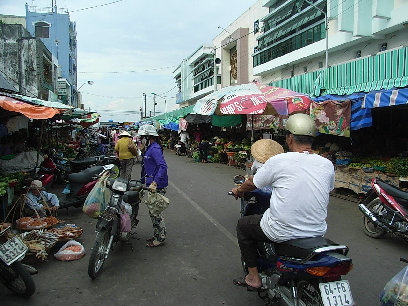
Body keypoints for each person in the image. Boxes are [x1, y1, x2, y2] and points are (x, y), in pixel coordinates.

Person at [232, 113, 335, 291]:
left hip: (281, 230)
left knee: (243, 226)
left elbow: (251, 183)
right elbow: (328, 189)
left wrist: (238, 190)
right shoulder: (326, 164)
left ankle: (254, 277)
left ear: (289, 138)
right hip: (316, 232)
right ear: (312, 140)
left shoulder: (278, 161)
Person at [138, 124, 168, 248]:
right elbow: (145, 167)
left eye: (142, 138)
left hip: (157, 185)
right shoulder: (149, 148)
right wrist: (141, 182)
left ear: (148, 137)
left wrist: (155, 182)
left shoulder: (154, 149)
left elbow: (162, 166)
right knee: (152, 211)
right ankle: (157, 234)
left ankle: (160, 238)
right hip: (150, 184)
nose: (140, 140)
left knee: (156, 212)